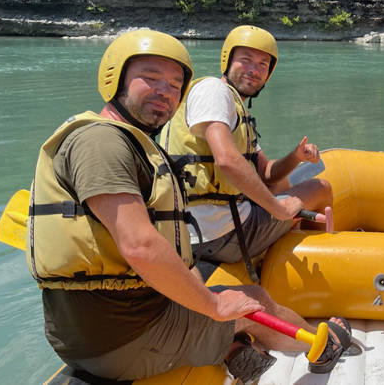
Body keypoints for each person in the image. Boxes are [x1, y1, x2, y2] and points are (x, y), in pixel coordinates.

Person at [25, 30, 352, 382]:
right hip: (124, 336)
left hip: (109, 325)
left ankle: (234, 350)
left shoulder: (128, 142)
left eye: (174, 84)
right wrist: (214, 305)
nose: (165, 91)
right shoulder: (102, 143)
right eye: (150, 79)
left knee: (221, 294)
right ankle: (323, 344)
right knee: (251, 300)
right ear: (114, 78)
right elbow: (140, 245)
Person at [161, 25, 332, 283]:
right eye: (246, 60)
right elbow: (227, 160)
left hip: (201, 230)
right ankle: (322, 272)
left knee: (283, 184)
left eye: (263, 64)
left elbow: (267, 173)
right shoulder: (213, 91)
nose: (254, 70)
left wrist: (296, 157)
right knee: (321, 187)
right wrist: (279, 209)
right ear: (228, 60)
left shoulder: (235, 109)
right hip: (216, 235)